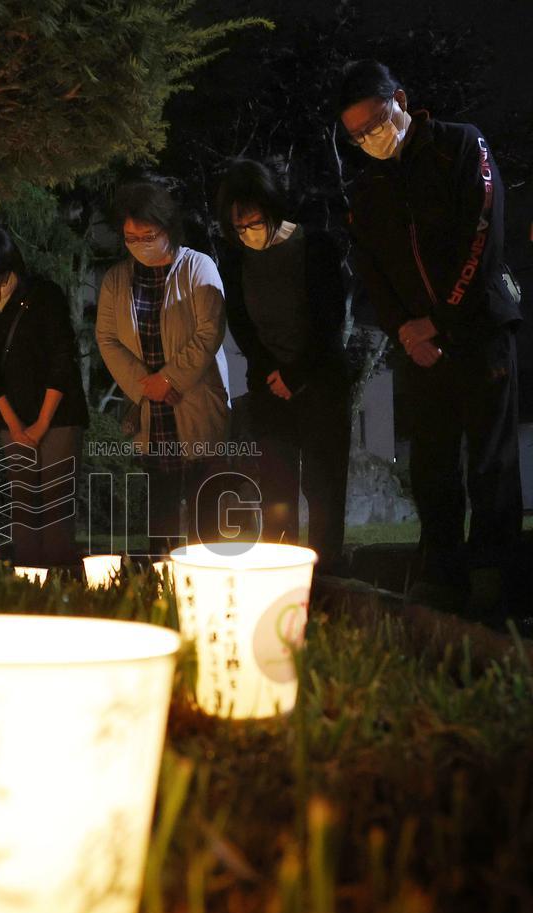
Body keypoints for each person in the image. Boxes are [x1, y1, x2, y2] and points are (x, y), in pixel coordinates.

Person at [338, 59, 523, 615]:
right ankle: (441, 576)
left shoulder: (461, 146)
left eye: (374, 123)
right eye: (355, 134)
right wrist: (405, 330)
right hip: (419, 348)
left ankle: (497, 581)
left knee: (491, 460)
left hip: (480, 329)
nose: (368, 138)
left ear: (399, 98)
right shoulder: (369, 188)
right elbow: (371, 269)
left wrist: (439, 319)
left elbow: (482, 236)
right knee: (432, 464)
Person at [216, 159, 351, 573]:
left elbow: (330, 320)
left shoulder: (317, 248)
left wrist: (296, 373)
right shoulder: (236, 261)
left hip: (322, 384)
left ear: (273, 209)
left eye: (253, 222)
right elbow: (240, 322)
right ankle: (282, 578)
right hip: (269, 391)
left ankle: (326, 579)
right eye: (237, 227)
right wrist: (271, 371)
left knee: (324, 488)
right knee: (278, 491)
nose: (247, 233)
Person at [95, 181, 230, 552]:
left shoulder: (198, 267)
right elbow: (107, 339)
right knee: (162, 518)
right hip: (152, 412)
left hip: (196, 402)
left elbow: (209, 331)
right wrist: (145, 386)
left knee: (207, 520)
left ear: (168, 228)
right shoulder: (116, 280)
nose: (139, 243)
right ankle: (160, 591)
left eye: (148, 234)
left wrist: (170, 378)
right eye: (130, 236)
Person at [0, 225, 89, 568]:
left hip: (59, 416)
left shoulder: (45, 295)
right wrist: (14, 425)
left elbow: (62, 359)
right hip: (12, 416)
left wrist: (41, 424)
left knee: (56, 502)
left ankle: (58, 581)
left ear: (12, 266)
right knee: (22, 503)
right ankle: (29, 581)